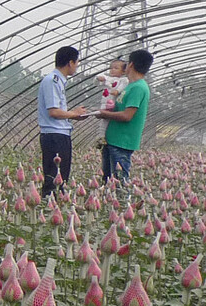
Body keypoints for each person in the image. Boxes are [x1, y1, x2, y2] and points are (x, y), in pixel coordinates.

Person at [96, 48, 153, 183]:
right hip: (112, 140)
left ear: (131, 64)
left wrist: (105, 114)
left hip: (122, 142)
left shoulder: (138, 87)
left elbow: (127, 115)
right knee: (108, 182)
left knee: (119, 183)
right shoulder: (128, 86)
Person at [37, 45, 87, 197]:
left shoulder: (58, 81)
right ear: (70, 63)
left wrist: (73, 115)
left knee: (61, 179)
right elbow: (53, 111)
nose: (77, 66)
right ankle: (49, 206)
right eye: (77, 62)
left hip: (60, 134)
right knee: (54, 180)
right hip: (54, 136)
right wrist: (74, 113)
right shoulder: (52, 81)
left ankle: (54, 204)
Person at [96, 57, 127, 181]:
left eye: (116, 68)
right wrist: (99, 78)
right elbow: (99, 79)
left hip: (113, 106)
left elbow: (122, 87)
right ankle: (101, 138)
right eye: (111, 68)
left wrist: (116, 90)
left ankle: (102, 138)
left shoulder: (123, 80)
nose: (112, 70)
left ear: (123, 71)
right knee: (103, 124)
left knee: (107, 121)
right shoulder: (109, 78)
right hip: (105, 105)